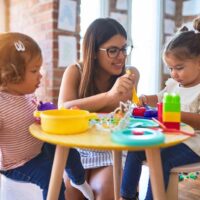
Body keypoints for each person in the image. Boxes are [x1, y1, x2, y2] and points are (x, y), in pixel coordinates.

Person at [0, 32, 94, 200]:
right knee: (52, 177)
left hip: (39, 148)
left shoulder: (27, 96)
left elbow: (42, 116)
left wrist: (64, 116)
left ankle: (79, 181)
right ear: (10, 75)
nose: (41, 74)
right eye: (34, 70)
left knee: (68, 148)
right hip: (17, 163)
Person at [58, 18, 139, 200]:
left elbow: (124, 111)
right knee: (68, 193)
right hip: (77, 151)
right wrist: (109, 96)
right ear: (93, 52)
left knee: (104, 192)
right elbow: (64, 109)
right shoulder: (75, 71)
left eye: (124, 49)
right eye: (112, 50)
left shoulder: (130, 76)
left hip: (112, 150)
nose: (121, 56)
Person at [120, 16, 200, 200]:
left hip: (194, 144)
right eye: (170, 68)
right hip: (172, 137)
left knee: (162, 160)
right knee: (136, 147)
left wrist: (177, 115)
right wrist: (145, 99)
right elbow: (159, 97)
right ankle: (127, 195)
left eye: (179, 67)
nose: (174, 73)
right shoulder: (174, 84)